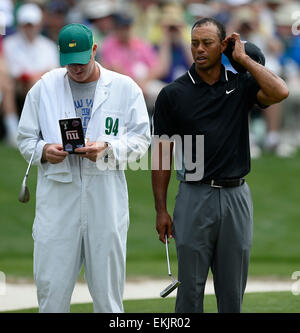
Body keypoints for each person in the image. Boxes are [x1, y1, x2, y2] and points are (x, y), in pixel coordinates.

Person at [151, 17, 289, 313]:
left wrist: (241, 58)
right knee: (190, 293)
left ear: (222, 46)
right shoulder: (173, 94)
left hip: (236, 195)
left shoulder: (240, 85)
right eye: (194, 43)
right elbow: (161, 155)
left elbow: (280, 91)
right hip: (193, 195)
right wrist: (161, 209)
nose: (199, 49)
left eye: (207, 43)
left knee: (232, 293)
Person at [17, 23, 150, 313]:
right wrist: (43, 151)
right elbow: (25, 138)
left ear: (94, 50)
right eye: (68, 63)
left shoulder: (124, 88)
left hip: (105, 198)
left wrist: (108, 149)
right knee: (51, 292)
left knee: (108, 297)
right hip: (58, 199)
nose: (75, 69)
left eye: (81, 62)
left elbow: (142, 139)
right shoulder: (44, 88)